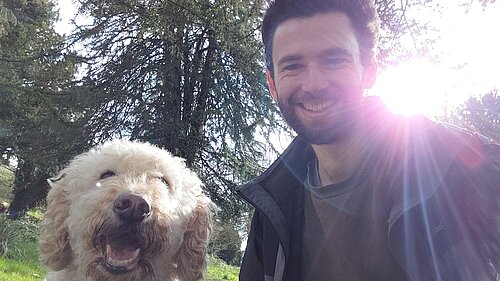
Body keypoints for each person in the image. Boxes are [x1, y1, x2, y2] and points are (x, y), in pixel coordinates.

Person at [236, 0, 500, 280]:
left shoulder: (455, 166)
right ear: (273, 83)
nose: (314, 84)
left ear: (369, 70)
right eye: (292, 65)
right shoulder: (272, 209)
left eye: (334, 60)